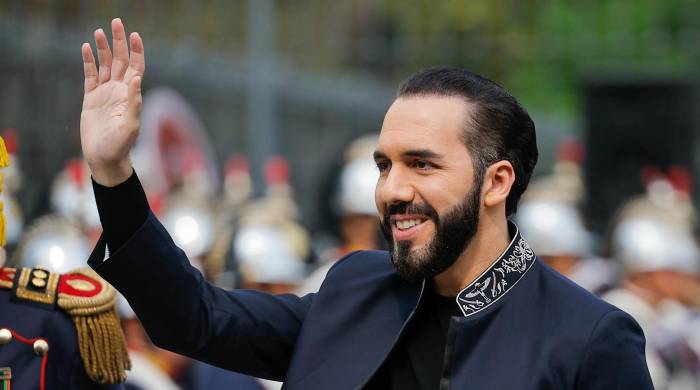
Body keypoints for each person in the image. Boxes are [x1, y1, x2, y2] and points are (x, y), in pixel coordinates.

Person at [79, 19, 652, 389]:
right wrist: (112, 171)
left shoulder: (590, 339)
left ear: (496, 182)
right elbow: (195, 317)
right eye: (385, 165)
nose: (392, 190)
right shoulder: (355, 288)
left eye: (421, 164)